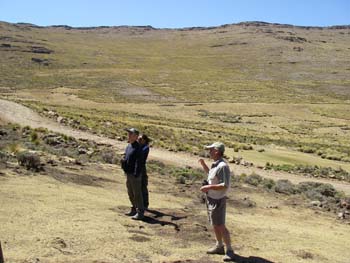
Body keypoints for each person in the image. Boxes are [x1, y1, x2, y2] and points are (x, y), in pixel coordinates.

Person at [198, 142, 234, 262]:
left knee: (220, 225)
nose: (209, 152)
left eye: (211, 150)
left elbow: (224, 185)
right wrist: (203, 165)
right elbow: (211, 176)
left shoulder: (223, 166)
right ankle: (219, 246)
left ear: (217, 151)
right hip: (211, 198)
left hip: (218, 199)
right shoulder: (215, 164)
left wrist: (208, 188)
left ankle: (229, 250)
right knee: (215, 224)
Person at [121, 128, 145, 220]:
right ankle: (134, 209)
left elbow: (139, 162)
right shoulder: (129, 146)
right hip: (129, 173)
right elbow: (126, 157)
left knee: (137, 193)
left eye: (131, 134)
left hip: (135, 175)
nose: (129, 135)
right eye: (129, 134)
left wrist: (136, 173)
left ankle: (140, 212)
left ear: (136, 136)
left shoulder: (138, 148)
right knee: (130, 193)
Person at [138, 134, 151, 210]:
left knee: (143, 186)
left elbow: (141, 155)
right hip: (136, 167)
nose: (139, 140)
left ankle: (145, 204)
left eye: (140, 139)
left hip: (142, 168)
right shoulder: (138, 146)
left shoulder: (145, 148)